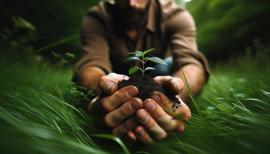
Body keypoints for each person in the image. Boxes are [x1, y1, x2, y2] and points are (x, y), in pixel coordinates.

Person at [75, 0, 210, 144]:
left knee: (167, 64)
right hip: (116, 76)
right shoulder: (98, 18)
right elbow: (91, 65)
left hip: (157, 74)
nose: (132, 3)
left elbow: (191, 64)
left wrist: (173, 97)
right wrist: (104, 91)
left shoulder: (175, 15)